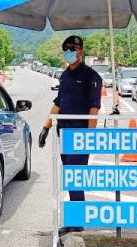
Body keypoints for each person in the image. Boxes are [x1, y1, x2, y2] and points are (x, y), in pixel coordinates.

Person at [37, 35, 102, 231]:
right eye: (66, 48)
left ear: (81, 51)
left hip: (80, 135)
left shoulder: (91, 76)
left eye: (72, 48)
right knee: (71, 177)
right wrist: (46, 127)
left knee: (76, 177)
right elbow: (59, 103)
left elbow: (94, 109)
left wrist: (90, 137)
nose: (69, 51)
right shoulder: (65, 75)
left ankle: (76, 223)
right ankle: (75, 222)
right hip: (63, 134)